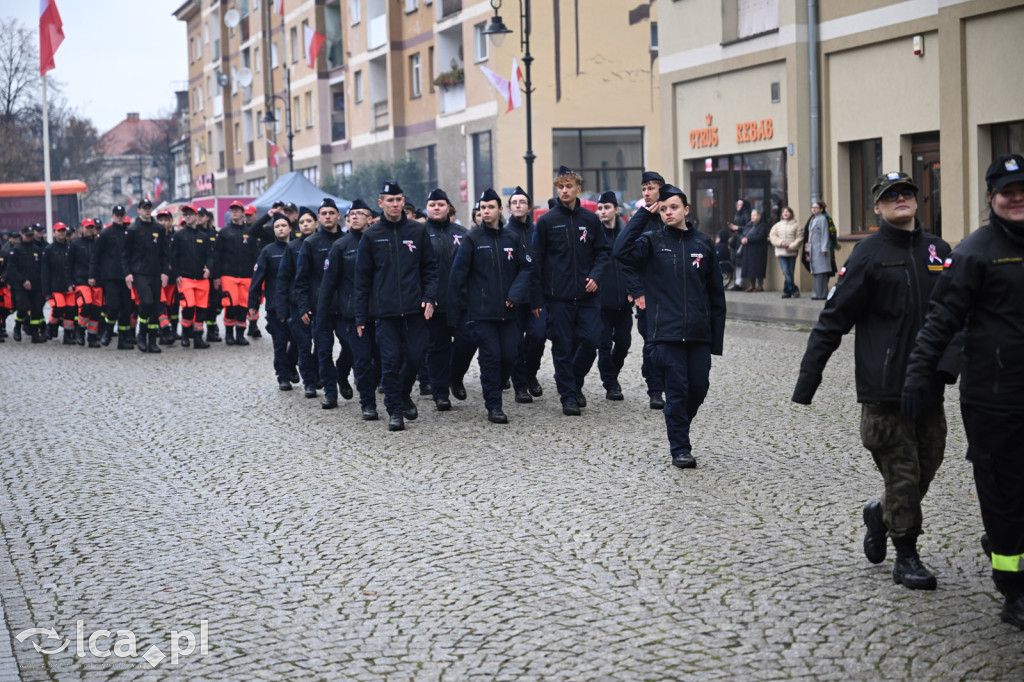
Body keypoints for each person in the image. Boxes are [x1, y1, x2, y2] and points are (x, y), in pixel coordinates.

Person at [792, 171, 955, 591]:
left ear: (916, 200)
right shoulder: (868, 254)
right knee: (903, 477)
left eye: (907, 192)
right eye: (890, 195)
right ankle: (907, 555)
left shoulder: (939, 251)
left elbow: (958, 313)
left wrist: (949, 365)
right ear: (878, 208)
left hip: (929, 388)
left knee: (926, 469)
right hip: (884, 392)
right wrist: (807, 381)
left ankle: (879, 515)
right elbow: (833, 320)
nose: (901, 198)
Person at [902, 153, 1024, 628]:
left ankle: (1006, 545)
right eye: (1008, 192)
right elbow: (940, 321)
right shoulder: (975, 252)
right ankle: (1014, 589)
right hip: (994, 399)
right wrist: (919, 376)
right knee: (1004, 495)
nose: (1017, 199)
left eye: (1023, 191)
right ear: (991, 197)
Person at [614, 184, 726, 469]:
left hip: (698, 333)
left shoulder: (703, 243)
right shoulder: (651, 242)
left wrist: (715, 339)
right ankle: (680, 448)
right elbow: (620, 250)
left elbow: (716, 294)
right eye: (663, 209)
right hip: (665, 332)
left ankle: (678, 425)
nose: (668, 212)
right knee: (677, 391)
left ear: (686, 210)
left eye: (673, 207)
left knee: (698, 388)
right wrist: (643, 214)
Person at [354, 180, 438, 431]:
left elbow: (430, 269)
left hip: (415, 310)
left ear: (403, 201)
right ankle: (395, 410)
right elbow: (362, 279)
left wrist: (429, 296)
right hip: (385, 312)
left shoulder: (417, 231)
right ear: (381, 203)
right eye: (390, 200)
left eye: (398, 199)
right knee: (390, 362)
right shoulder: (371, 235)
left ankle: (402, 393)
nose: (394, 204)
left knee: (414, 358)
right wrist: (360, 317)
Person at [449, 188, 533, 423]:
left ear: (500, 209)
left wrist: (515, 294)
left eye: (490, 207)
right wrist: (460, 310)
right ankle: (494, 406)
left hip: (509, 311)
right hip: (481, 314)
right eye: (482, 208)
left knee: (509, 356)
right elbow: (457, 276)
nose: (486, 211)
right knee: (491, 358)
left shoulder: (512, 238)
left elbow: (527, 268)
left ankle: (498, 385)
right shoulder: (472, 239)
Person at [531, 165, 610, 415]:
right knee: (563, 347)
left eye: (569, 186)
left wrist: (596, 275)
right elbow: (537, 260)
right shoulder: (546, 221)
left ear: (578, 189)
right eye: (560, 187)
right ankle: (568, 396)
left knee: (591, 341)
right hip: (558, 298)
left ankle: (574, 382)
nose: (564, 191)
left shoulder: (590, 219)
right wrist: (537, 298)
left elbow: (603, 252)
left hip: (587, 296)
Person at [318, 199, 380, 419]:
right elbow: (328, 284)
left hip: (381, 312)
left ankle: (380, 391)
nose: (354, 216)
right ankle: (367, 403)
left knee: (382, 359)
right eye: (351, 213)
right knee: (361, 359)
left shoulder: (380, 241)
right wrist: (321, 317)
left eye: (359, 213)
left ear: (370, 219)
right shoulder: (341, 246)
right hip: (353, 313)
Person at [578, 190, 640, 401]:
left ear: (616, 209)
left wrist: (633, 289)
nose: (603, 211)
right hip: (600, 303)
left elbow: (634, 265)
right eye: (600, 208)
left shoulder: (627, 235)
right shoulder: (594, 235)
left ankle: (612, 373)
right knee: (603, 345)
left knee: (623, 344)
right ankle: (611, 383)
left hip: (623, 302)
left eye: (607, 207)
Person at [421, 188, 473, 411]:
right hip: (433, 304)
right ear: (427, 208)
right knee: (437, 348)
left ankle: (456, 376)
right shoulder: (419, 234)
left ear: (448, 208)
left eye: (440, 204)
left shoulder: (463, 234)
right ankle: (440, 393)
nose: (436, 208)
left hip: (461, 302)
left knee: (468, 340)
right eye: (432, 205)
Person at [295, 198, 348, 409]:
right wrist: (303, 306)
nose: (328, 216)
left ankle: (341, 374)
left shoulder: (347, 240)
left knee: (352, 347)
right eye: (324, 213)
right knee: (323, 352)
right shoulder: (311, 243)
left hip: (345, 307)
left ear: (338, 216)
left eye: (331, 213)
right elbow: (301, 279)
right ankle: (330, 392)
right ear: (319, 218)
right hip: (319, 308)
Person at [625, 171, 667, 410]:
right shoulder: (640, 220)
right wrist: (636, 289)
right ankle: (655, 390)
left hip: (670, 293)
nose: (647, 192)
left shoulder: (670, 216)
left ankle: (670, 384)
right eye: (644, 189)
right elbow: (626, 259)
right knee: (651, 343)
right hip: (647, 294)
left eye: (651, 188)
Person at [505, 185, 546, 403]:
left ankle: (531, 373)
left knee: (538, 337)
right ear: (509, 208)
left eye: (522, 202)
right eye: (514, 202)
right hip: (512, 298)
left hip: (536, 296)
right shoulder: (504, 232)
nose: (518, 205)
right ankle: (520, 386)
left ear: (529, 207)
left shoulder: (537, 231)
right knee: (515, 344)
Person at [277, 206, 319, 397]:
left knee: (321, 345)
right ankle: (309, 382)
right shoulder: (293, 247)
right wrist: (282, 308)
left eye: (309, 221)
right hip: (297, 304)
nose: (305, 225)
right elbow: (284, 278)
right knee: (303, 345)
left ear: (316, 223)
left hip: (320, 302)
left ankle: (318, 375)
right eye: (302, 222)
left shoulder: (325, 243)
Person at [249, 215, 294, 390]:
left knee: (299, 341)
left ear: (290, 228)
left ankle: (291, 364)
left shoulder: (299, 247)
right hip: (275, 304)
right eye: (277, 226)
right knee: (280, 342)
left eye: (283, 225)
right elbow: (257, 279)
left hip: (296, 303)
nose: (280, 229)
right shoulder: (268, 251)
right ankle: (283, 376)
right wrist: (253, 304)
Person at [122, 198, 171, 353]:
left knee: (155, 306)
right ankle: (142, 334)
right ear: (139, 210)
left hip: (156, 272)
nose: (147, 210)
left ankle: (152, 341)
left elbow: (165, 253)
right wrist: (127, 273)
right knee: (147, 302)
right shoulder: (133, 229)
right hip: (140, 272)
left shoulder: (158, 228)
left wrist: (165, 272)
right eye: (144, 208)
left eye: (149, 207)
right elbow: (125, 254)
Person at [212, 200, 260, 346]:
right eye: (232, 210)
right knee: (231, 305)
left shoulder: (250, 232)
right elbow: (217, 256)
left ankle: (240, 334)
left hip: (246, 276)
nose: (234, 212)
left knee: (243, 306)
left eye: (237, 210)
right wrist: (216, 276)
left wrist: (256, 275)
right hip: (228, 275)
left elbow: (255, 255)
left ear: (242, 213)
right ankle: (229, 334)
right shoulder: (224, 232)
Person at [170, 205, 213, 349]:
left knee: (201, 310)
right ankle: (185, 334)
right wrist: (176, 275)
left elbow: (210, 256)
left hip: (201, 279)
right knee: (188, 307)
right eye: (185, 214)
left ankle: (198, 337)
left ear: (196, 216)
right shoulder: (178, 236)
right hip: (186, 279)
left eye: (190, 214)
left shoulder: (204, 236)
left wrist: (209, 268)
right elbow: (173, 257)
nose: (187, 216)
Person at [90, 205, 133, 348]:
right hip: (110, 276)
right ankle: (108, 330)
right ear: (112, 216)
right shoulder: (106, 233)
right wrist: (93, 274)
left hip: (126, 277)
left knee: (126, 309)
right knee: (113, 307)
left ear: (125, 216)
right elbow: (95, 255)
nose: (120, 217)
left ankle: (123, 340)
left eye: (122, 215)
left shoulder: (129, 233)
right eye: (117, 215)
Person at [66, 218, 102, 347]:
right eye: (87, 227)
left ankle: (92, 337)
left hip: (97, 280)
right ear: (82, 228)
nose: (89, 230)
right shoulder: (75, 244)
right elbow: (69, 264)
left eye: (91, 227)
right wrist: (69, 281)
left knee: (96, 310)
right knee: (86, 305)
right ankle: (80, 329)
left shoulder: (98, 243)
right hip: (81, 279)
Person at [9, 225, 47, 342]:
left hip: (36, 286)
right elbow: (12, 268)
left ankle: (35, 334)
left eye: (31, 235)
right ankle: (17, 326)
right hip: (21, 286)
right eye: (27, 235)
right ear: (22, 234)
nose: (29, 238)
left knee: (36, 309)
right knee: (23, 307)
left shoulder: (36, 249)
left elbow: (42, 267)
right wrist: (23, 281)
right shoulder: (16, 249)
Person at [42, 221, 75, 344]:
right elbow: (45, 271)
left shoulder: (71, 248)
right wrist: (46, 290)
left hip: (69, 285)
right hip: (55, 285)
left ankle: (67, 335)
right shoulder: (49, 249)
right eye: (59, 231)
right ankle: (51, 325)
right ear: (54, 233)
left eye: (63, 231)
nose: (61, 233)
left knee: (71, 310)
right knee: (58, 308)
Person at [768, 206, 802, 298]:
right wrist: (781, 243)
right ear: (781, 214)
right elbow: (772, 236)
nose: (785, 213)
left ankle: (786, 292)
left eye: (787, 212)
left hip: (792, 252)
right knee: (786, 272)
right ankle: (794, 289)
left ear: (791, 213)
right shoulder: (777, 225)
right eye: (784, 212)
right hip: (781, 252)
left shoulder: (796, 225)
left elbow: (799, 238)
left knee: (790, 273)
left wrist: (792, 246)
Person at [805, 199, 833, 299]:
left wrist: (824, 248)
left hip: (820, 249)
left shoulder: (822, 219)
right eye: (812, 207)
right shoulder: (813, 219)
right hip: (813, 249)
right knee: (816, 271)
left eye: (816, 208)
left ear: (821, 209)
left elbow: (825, 234)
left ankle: (822, 294)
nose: (813, 209)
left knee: (821, 271)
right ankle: (816, 293)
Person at [739, 209, 769, 292]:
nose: (752, 217)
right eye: (751, 215)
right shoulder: (748, 225)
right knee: (750, 268)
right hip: (748, 250)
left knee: (758, 268)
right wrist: (742, 239)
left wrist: (748, 240)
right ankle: (752, 285)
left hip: (758, 250)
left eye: (754, 215)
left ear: (759, 216)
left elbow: (760, 236)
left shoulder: (762, 226)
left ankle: (760, 285)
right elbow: (742, 234)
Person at [728, 199, 751, 290]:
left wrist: (737, 228)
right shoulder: (737, 214)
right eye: (737, 204)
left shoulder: (746, 214)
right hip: (737, 239)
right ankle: (737, 281)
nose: (738, 206)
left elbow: (748, 227)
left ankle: (740, 282)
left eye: (740, 204)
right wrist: (733, 228)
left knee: (740, 261)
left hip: (742, 239)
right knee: (736, 262)